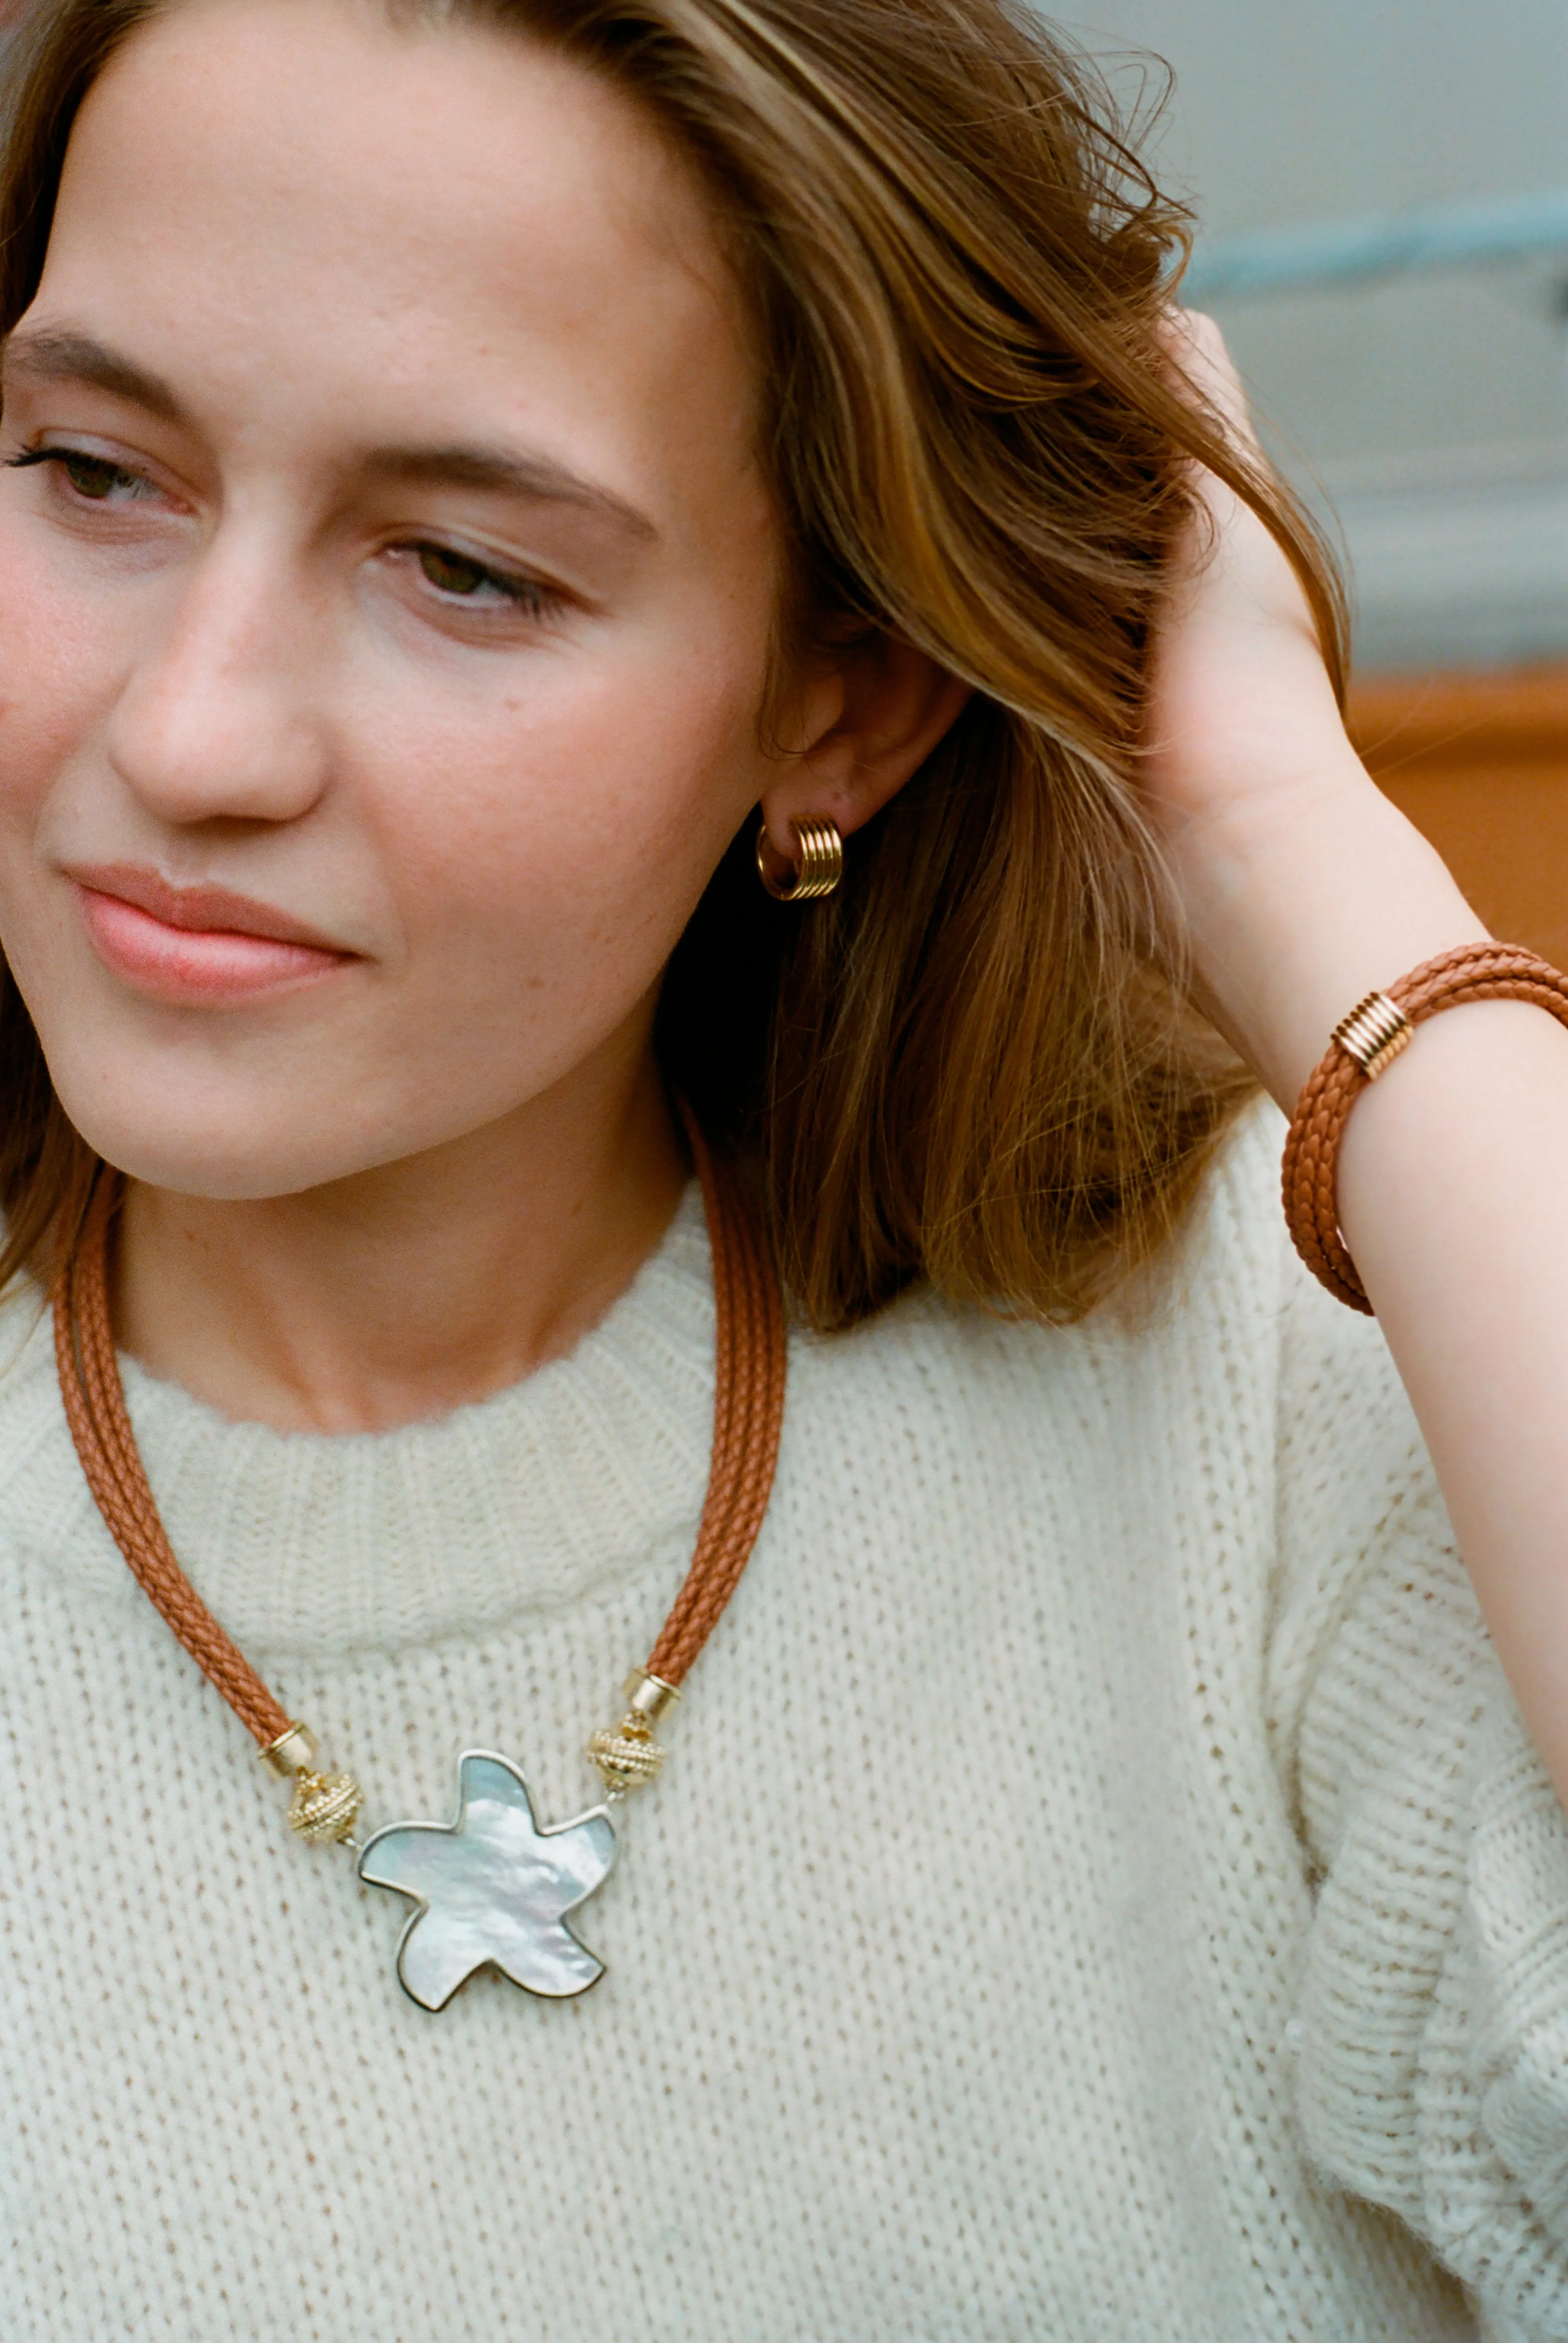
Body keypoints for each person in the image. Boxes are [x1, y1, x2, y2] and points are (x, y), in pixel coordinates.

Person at [2, 0, 1567, 2335]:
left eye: (464, 566)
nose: (191, 732)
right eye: (93, 472)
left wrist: (1284, 839)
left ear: (835, 701)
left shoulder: (1282, 1384)